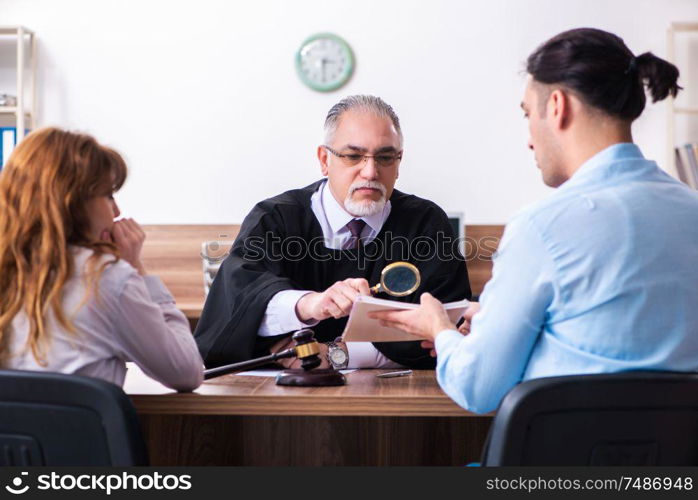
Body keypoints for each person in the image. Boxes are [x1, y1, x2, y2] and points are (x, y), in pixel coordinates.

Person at [371, 28, 698, 413]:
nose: (529, 139)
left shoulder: (542, 229)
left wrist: (439, 331)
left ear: (557, 106)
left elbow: (479, 390)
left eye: (528, 114)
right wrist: (498, 321)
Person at [195, 95, 471, 370]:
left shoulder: (425, 224)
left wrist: (339, 353)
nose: (370, 171)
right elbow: (237, 308)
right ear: (324, 159)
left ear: (398, 163)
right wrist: (309, 305)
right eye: (353, 156)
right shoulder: (276, 219)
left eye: (385, 157)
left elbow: (445, 334)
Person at [0, 128, 203, 391]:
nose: (116, 211)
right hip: (76, 433)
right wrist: (137, 270)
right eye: (108, 196)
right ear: (73, 201)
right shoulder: (107, 278)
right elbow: (186, 371)